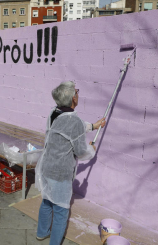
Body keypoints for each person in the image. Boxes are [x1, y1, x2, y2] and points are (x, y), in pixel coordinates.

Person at [35, 81, 106, 244]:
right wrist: (92, 151)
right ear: (74, 98)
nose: (78, 94)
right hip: (60, 173)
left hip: (46, 167)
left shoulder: (54, 112)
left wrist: (94, 126)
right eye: (77, 91)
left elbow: (74, 128)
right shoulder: (74, 121)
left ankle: (42, 232)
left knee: (47, 201)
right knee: (61, 210)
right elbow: (81, 152)